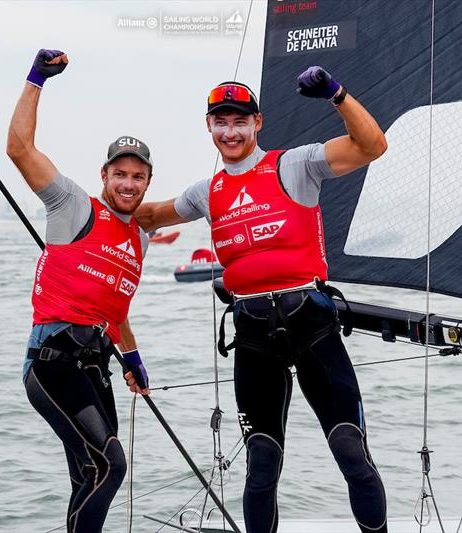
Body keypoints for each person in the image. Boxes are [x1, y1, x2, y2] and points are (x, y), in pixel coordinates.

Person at [136, 68, 388, 533]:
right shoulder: (206, 192)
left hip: (311, 323)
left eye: (240, 121)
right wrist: (82, 212)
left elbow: (372, 145)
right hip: (253, 336)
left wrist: (337, 94)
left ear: (257, 123)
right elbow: (145, 213)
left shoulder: (294, 164)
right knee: (261, 465)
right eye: (220, 122)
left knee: (350, 449)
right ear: (208, 127)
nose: (230, 132)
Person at [7, 48, 152, 533]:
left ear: (147, 181)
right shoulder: (73, 206)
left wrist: (131, 357)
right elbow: (19, 150)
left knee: (89, 473)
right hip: (52, 360)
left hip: (97, 366)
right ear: (104, 175)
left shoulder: (140, 238)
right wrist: (36, 79)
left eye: (137, 176)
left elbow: (114, 308)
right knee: (112, 466)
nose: (128, 183)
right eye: (120, 173)